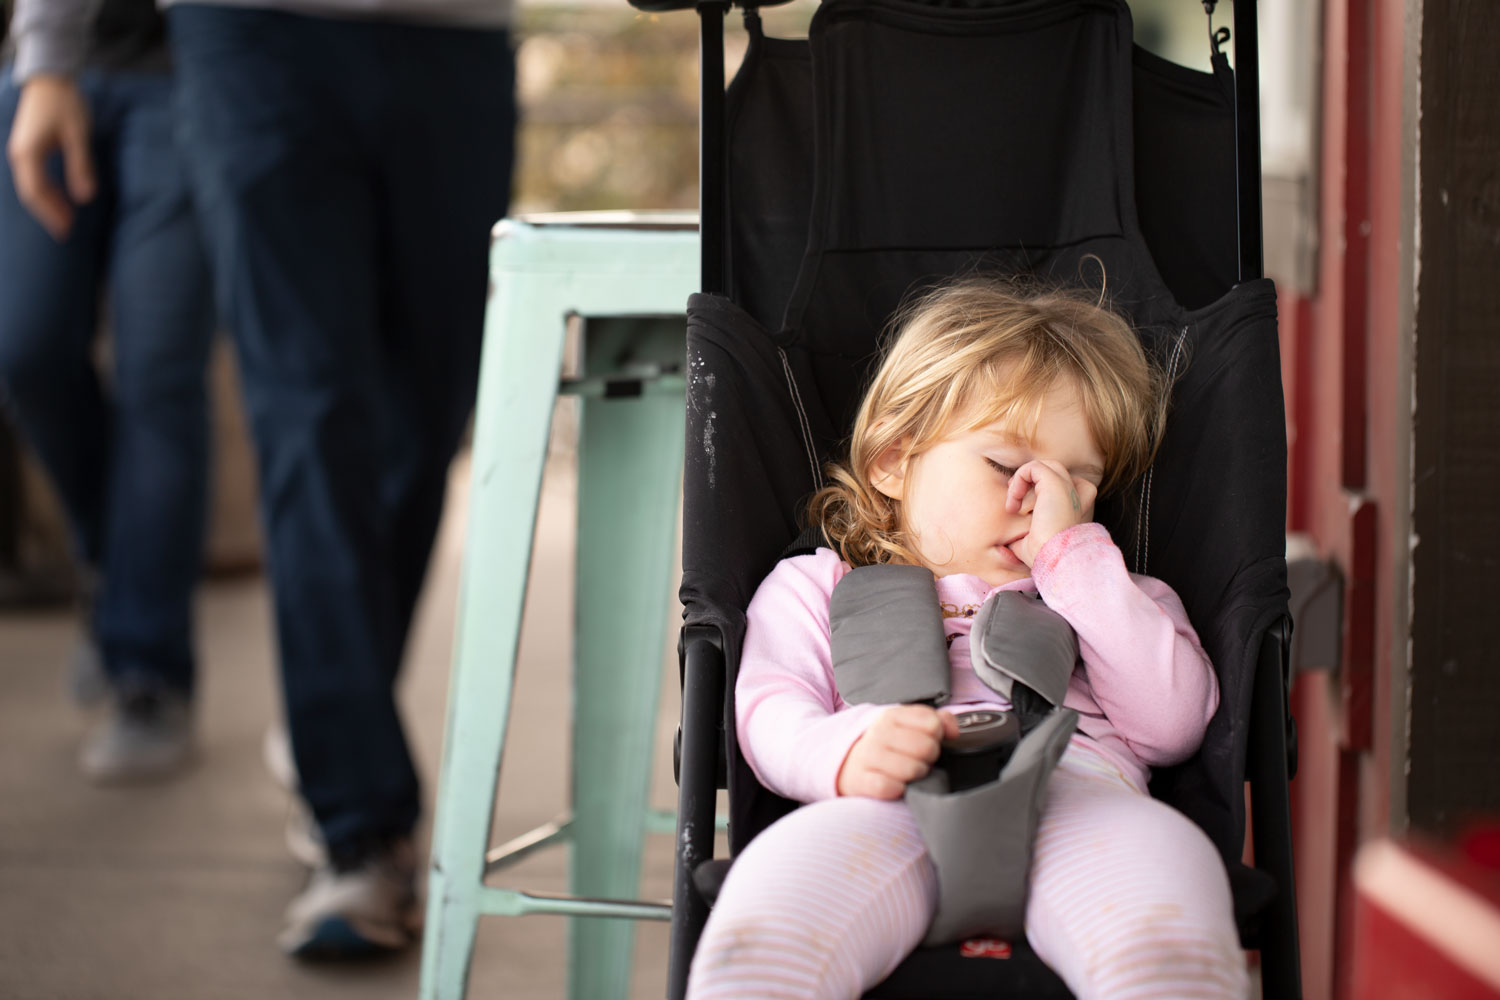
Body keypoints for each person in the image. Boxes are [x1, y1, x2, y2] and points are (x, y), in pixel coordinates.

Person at [7, 0, 518, 959]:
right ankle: (360, 827)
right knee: (307, 414)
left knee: (428, 420)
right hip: (251, 32)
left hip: (456, 32)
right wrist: (50, 57)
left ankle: (336, 701)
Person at [686, 278, 1249, 999]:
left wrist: (1076, 563)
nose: (1043, 500)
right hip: (881, 804)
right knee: (761, 942)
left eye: (1078, 482)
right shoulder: (817, 586)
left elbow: (1174, 726)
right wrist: (845, 751)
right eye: (1008, 468)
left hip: (1079, 801)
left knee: (1171, 950)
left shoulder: (1118, 597)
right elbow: (768, 710)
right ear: (893, 460)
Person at [1, 0, 214, 782]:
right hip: (49, 67)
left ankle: (149, 673)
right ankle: (115, 572)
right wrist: (47, 62)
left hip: (194, 74)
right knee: (25, 348)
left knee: (160, 374)